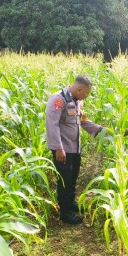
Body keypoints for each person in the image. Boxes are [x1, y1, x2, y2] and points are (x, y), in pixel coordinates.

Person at [45, 75, 103, 224]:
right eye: (87, 93)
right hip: (63, 150)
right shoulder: (58, 99)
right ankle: (65, 212)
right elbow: (52, 124)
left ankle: (70, 203)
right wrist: (58, 148)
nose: (87, 96)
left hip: (74, 148)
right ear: (79, 89)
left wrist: (102, 131)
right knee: (64, 180)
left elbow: (83, 121)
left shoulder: (77, 102)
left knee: (72, 178)